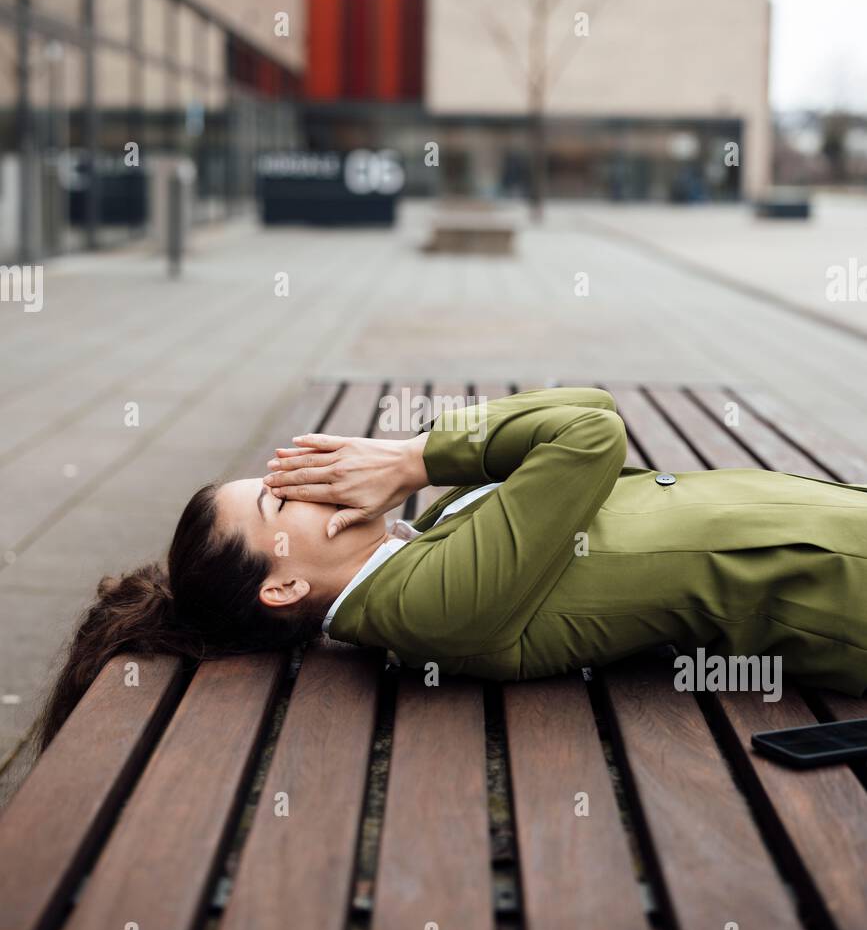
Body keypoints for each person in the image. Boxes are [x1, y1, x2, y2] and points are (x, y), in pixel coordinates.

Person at [36, 388, 867, 750]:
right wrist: (414, 455)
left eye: (287, 473)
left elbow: (592, 406)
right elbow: (587, 438)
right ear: (283, 585)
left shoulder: (431, 536)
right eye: (281, 501)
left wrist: (417, 466)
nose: (313, 481)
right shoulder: (422, 607)